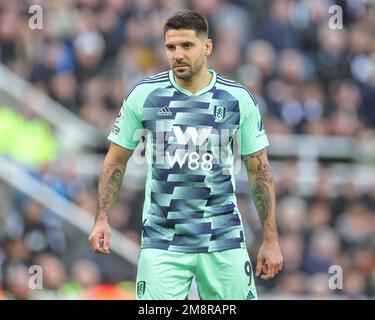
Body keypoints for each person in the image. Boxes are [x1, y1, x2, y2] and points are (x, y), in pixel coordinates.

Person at [89, 10, 283, 300]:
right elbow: (115, 160)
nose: (177, 54)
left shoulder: (237, 99)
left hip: (222, 237)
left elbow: (260, 171)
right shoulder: (145, 95)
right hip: (162, 239)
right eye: (171, 47)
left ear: (207, 47)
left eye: (187, 46)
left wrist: (271, 238)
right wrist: (102, 218)